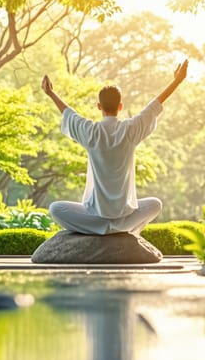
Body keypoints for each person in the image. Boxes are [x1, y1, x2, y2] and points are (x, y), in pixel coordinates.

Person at [40, 59, 188, 235]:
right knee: (155, 204)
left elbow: (68, 113)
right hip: (125, 216)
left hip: (94, 215)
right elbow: (154, 106)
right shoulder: (130, 130)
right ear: (120, 107)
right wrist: (176, 82)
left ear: (98, 107)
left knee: (56, 208)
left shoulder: (91, 132)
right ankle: (120, 229)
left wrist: (51, 93)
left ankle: (101, 229)